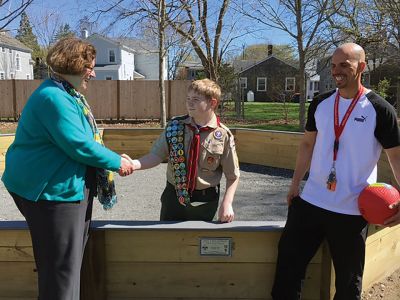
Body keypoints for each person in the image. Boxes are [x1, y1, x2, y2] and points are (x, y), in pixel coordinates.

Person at [1, 37, 134, 300]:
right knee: (60, 272)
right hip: (52, 194)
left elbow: (83, 141)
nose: (93, 73)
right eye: (89, 67)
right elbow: (79, 145)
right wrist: (117, 162)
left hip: (65, 189)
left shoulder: (66, 93)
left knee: (68, 267)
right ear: (73, 64)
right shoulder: (53, 97)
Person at [271, 43, 400, 300]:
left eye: (344, 65)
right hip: (311, 202)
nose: (336, 71)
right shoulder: (320, 103)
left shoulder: (380, 109)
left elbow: (395, 156)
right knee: (287, 270)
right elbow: (307, 144)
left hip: (352, 210)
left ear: (361, 67)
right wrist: (295, 183)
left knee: (348, 284)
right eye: (333, 65)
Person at [125, 79, 240, 222]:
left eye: (196, 99)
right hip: (174, 196)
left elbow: (233, 175)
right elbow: (156, 155)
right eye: (188, 99)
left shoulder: (223, 135)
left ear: (213, 103)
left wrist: (227, 203)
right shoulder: (175, 126)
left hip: (205, 201)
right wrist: (134, 164)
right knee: (168, 239)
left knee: (199, 241)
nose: (189, 103)